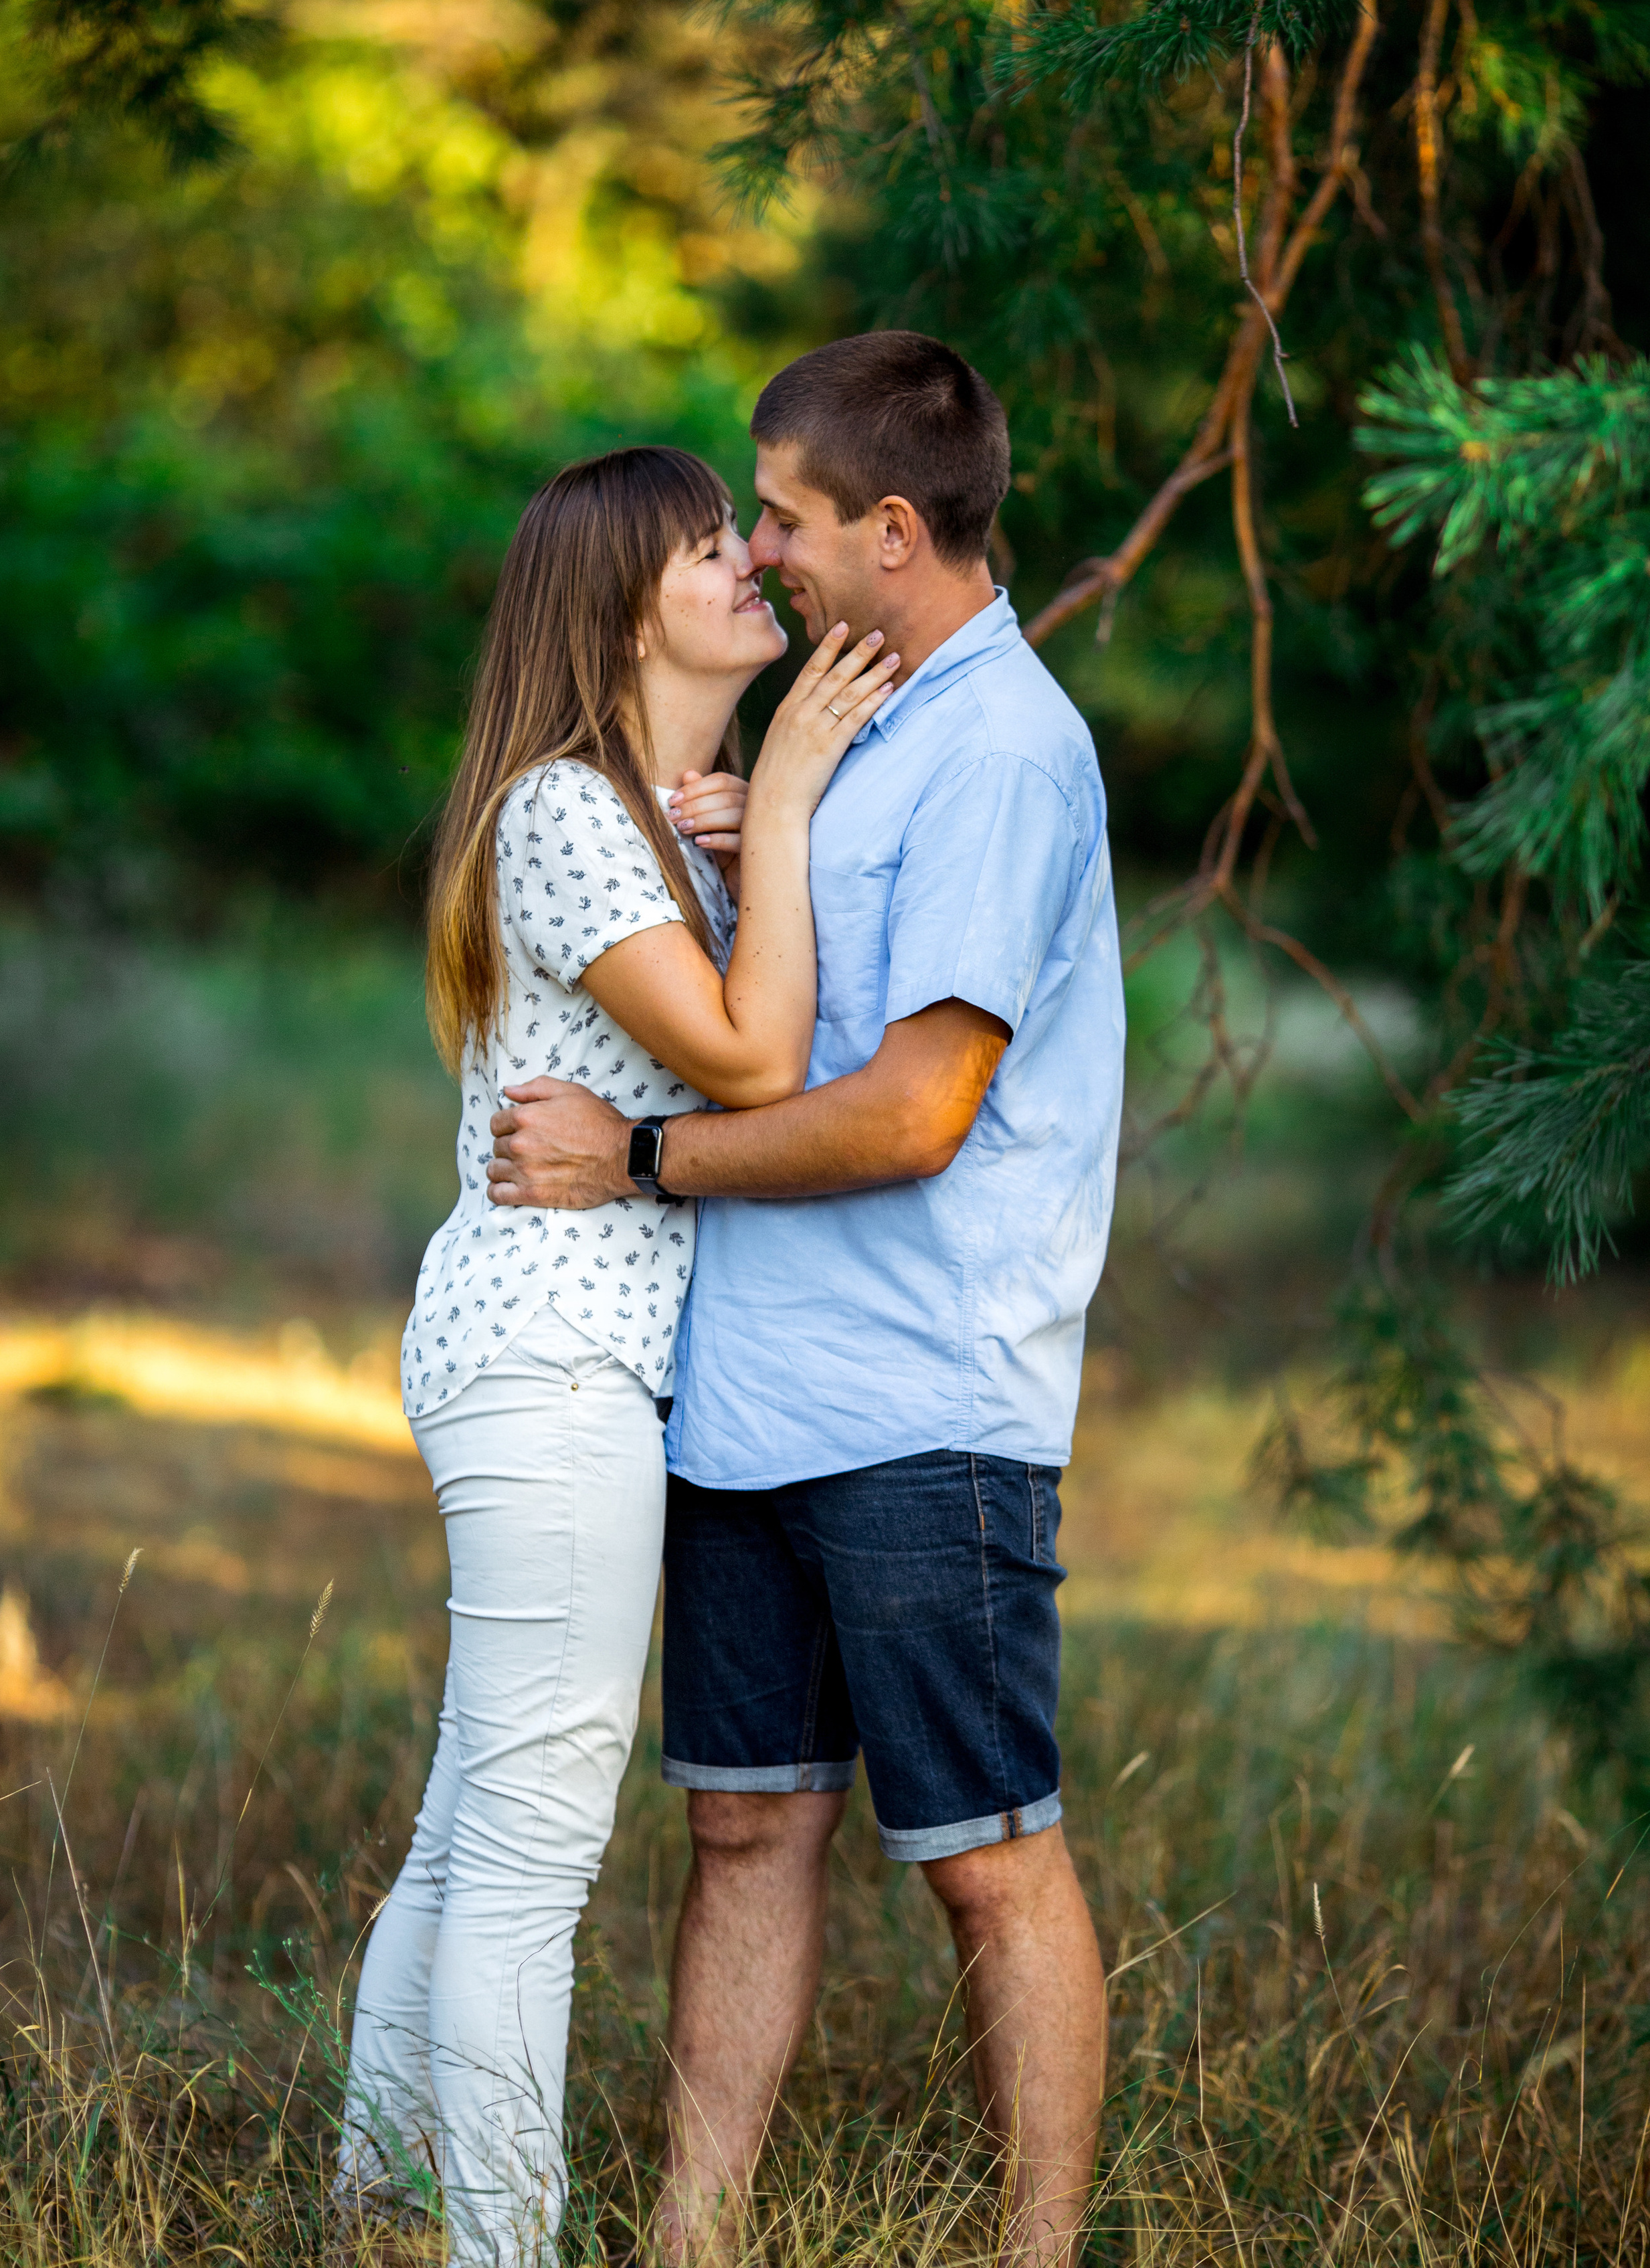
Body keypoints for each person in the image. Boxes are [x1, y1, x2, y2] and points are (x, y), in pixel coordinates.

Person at [484, 332, 1126, 2268]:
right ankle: (695, 2241)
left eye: (783, 516)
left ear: (897, 532)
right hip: (750, 1386)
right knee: (747, 1828)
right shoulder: (862, 723)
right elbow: (794, 1011)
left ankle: (1038, 2249)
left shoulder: (1008, 751)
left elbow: (919, 1107)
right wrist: (750, 842)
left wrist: (643, 1159)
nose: (755, 549)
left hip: (928, 1398)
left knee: (991, 1862)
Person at [333, 444, 899, 2266]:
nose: (755, 566)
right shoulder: (573, 813)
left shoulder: (643, 821)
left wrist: (747, 827)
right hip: (554, 1359)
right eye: (714, 545)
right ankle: (503, 2244)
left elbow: (753, 1031)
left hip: (557, 1356)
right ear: (616, 602)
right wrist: (788, 800)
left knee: (467, 1819)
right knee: (531, 1855)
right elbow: (754, 1066)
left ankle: (381, 2206)